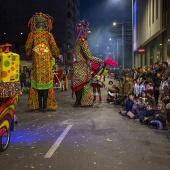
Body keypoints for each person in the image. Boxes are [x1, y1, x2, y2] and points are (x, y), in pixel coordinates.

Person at [71, 20, 117, 107]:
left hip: (76, 66)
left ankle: (78, 101)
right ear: (84, 31)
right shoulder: (82, 41)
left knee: (78, 85)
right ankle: (81, 101)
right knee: (83, 85)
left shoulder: (75, 41)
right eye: (86, 30)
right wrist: (103, 61)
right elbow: (89, 56)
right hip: (82, 67)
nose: (87, 32)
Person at [25, 12, 60, 112]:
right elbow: (55, 49)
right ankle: (45, 106)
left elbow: (27, 49)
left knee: (36, 86)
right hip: (46, 67)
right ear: (46, 24)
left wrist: (32, 53)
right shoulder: (49, 35)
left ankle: (38, 106)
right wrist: (56, 56)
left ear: (35, 24)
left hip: (36, 67)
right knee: (46, 87)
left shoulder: (32, 35)